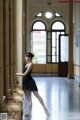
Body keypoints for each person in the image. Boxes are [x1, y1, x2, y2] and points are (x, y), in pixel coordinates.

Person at [16, 52, 49, 117]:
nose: (25, 58)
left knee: (37, 96)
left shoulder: (30, 64)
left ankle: (44, 108)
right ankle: (29, 113)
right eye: (25, 57)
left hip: (30, 82)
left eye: (26, 57)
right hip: (26, 81)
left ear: (30, 58)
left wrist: (16, 74)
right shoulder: (27, 64)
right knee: (28, 98)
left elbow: (25, 74)